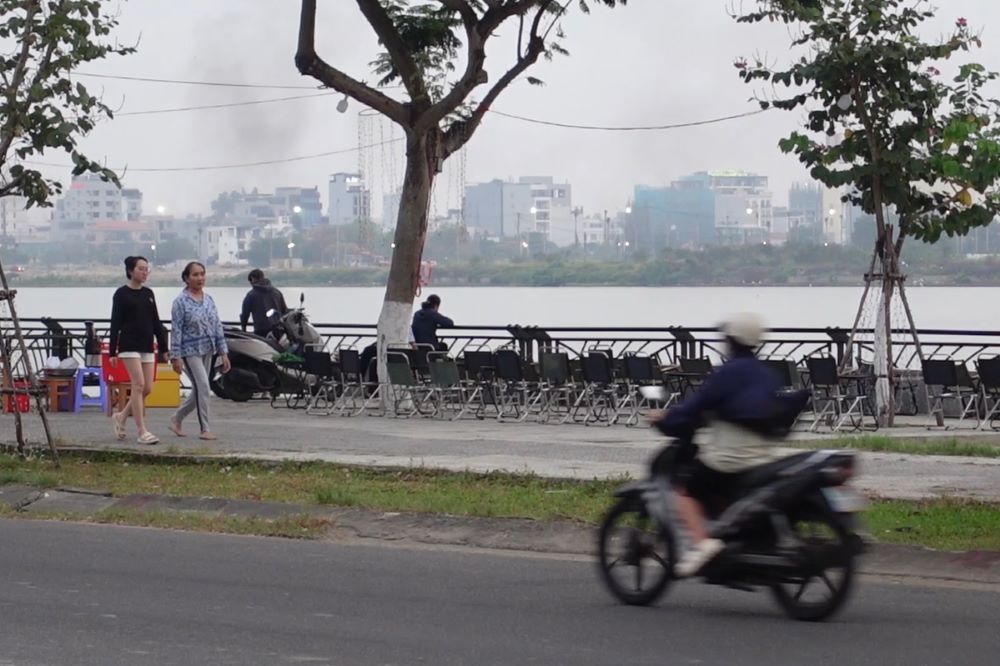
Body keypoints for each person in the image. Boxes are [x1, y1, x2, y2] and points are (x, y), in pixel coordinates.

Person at [653, 312, 807, 578]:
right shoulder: (765, 373)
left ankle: (703, 545)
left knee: (686, 492)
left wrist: (666, 417)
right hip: (764, 457)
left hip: (729, 458)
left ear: (731, 341)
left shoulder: (729, 373)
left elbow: (696, 406)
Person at [108, 256, 170, 445]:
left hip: (146, 345)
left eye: (146, 269)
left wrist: (164, 348)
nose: (144, 273)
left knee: (147, 388)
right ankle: (142, 431)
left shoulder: (148, 293)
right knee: (138, 384)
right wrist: (112, 351)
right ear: (130, 271)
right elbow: (115, 323)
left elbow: (156, 322)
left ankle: (121, 416)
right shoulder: (121, 294)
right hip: (128, 345)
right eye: (141, 269)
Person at [168, 261, 230, 441]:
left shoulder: (209, 299)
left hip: (208, 348)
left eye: (202, 274)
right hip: (190, 350)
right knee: (203, 386)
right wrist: (176, 356)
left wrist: (223, 351)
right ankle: (205, 428)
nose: (200, 278)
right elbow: (176, 329)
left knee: (199, 389)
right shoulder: (180, 302)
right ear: (187, 278)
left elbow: (217, 325)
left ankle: (177, 418)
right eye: (195, 275)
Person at [240, 268, 288, 338]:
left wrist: (243, 331)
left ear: (253, 279)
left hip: (261, 332)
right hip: (279, 331)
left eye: (250, 281)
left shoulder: (251, 295)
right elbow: (284, 311)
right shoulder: (277, 292)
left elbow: (245, 315)